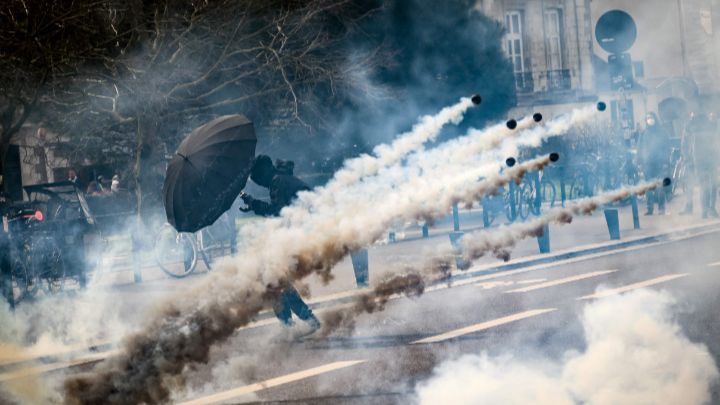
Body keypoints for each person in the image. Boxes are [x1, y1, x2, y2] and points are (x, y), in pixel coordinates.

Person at [240, 155, 321, 333]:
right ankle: (301, 322)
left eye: (258, 178)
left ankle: (294, 325)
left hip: (304, 235)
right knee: (276, 280)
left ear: (266, 171)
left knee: (274, 280)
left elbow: (277, 213)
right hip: (306, 233)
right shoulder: (282, 179)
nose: (259, 183)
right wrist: (254, 204)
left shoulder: (278, 182)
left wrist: (254, 203)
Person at [683, 110, 720, 218]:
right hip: (709, 160)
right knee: (712, 185)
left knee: (704, 186)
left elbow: (686, 144)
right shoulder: (711, 126)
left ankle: (705, 211)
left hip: (699, 161)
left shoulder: (691, 128)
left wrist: (688, 158)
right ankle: (711, 209)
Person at [637, 112, 672, 215]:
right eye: (648, 118)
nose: (650, 120)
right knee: (648, 187)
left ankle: (661, 208)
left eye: (651, 118)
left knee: (660, 187)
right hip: (647, 164)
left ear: (655, 119)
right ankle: (649, 209)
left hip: (660, 163)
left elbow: (667, 148)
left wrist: (665, 161)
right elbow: (640, 148)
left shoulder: (662, 132)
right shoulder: (643, 133)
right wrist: (639, 162)